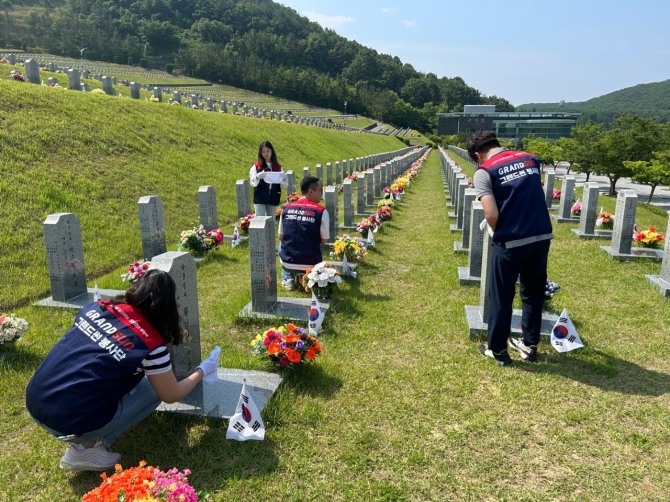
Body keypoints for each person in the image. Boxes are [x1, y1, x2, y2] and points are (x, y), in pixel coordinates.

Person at [25, 270, 221, 471]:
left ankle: (87, 436)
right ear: (169, 307)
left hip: (35, 400)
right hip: (67, 421)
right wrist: (203, 370)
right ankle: (86, 447)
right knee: (154, 389)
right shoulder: (151, 343)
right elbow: (171, 394)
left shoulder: (97, 308)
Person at [468, 131, 553, 366]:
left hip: (511, 240)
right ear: (498, 144)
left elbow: (491, 213)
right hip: (540, 235)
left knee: (502, 296)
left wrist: (499, 232)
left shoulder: (484, 172)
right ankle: (530, 345)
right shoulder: (530, 159)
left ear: (477, 155)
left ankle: (498, 350)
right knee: (533, 293)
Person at [278, 176, 329, 290]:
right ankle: (305, 276)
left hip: (288, 261)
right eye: (321, 190)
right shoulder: (321, 211)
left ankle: (288, 278)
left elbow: (280, 236)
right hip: (311, 262)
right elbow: (324, 240)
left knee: (282, 242)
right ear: (311, 191)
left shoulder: (286, 208)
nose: (322, 193)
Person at [249, 140, 288, 216]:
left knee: (271, 221)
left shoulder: (278, 166)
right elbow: (252, 182)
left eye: (268, 151)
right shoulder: (257, 165)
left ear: (272, 151)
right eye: (263, 152)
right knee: (260, 219)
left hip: (273, 197)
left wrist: (285, 178)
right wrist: (258, 176)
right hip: (260, 197)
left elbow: (284, 185)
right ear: (260, 153)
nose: (266, 154)